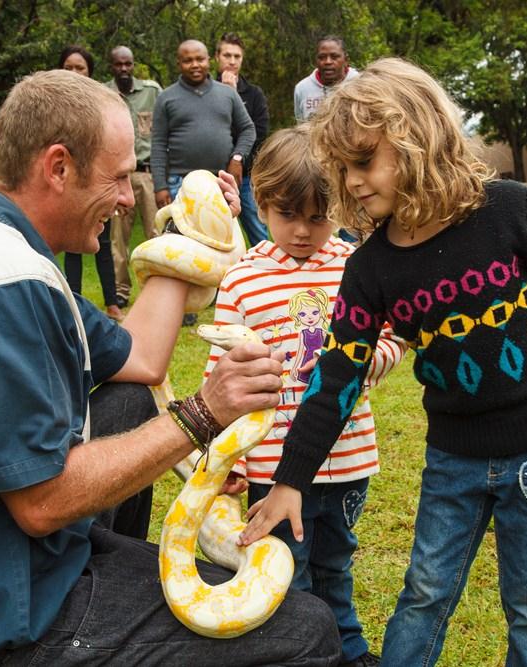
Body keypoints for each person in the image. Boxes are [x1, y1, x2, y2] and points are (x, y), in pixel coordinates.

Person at [0, 69, 341, 667]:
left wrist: (193, 230)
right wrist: (205, 412)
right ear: (58, 168)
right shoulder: (2, 289)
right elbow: (41, 505)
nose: (131, 198)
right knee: (308, 631)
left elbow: (140, 358)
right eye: (115, 178)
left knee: (131, 402)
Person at [239, 58, 527, 667]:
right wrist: (290, 478)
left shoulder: (512, 210)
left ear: (416, 140)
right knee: (424, 595)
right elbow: (337, 378)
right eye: (343, 169)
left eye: (365, 161)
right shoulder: (369, 269)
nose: (354, 181)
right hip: (454, 458)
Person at [205, 126, 405, 667]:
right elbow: (219, 372)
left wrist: (361, 364)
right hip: (271, 461)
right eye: (287, 214)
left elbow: (392, 340)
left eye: (318, 216)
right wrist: (223, 454)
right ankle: (294, 652)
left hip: (346, 457)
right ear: (262, 203)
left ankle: (349, 647)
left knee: (336, 561)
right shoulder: (241, 279)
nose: (302, 230)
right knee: (283, 565)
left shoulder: (355, 267)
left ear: (339, 206)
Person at [57, 45, 124, 321]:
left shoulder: (102, 104)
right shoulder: (51, 104)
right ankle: (72, 304)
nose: (74, 73)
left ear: (90, 72)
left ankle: (112, 303)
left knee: (103, 244)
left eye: (80, 68)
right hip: (66, 185)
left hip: (98, 184)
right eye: (68, 67)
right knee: (72, 245)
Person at [151, 39, 255, 209]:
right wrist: (160, 186)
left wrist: (237, 158)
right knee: (181, 234)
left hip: (220, 180)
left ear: (209, 60)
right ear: (179, 64)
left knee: (220, 232)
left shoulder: (227, 93)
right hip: (179, 181)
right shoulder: (166, 98)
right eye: (187, 60)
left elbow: (248, 129)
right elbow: (158, 144)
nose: (195, 65)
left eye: (200, 59)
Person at [106, 45, 161, 310]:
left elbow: (164, 131)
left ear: (134, 64)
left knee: (155, 233)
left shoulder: (152, 91)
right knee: (119, 237)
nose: (124, 69)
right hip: (118, 175)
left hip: (148, 174)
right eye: (119, 64)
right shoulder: (102, 94)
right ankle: (120, 291)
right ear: (112, 66)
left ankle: (157, 289)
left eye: (128, 64)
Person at [214, 32, 268, 247]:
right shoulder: (203, 91)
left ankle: (269, 277)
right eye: (227, 55)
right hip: (211, 175)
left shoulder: (254, 94)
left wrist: (233, 95)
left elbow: (259, 134)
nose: (232, 61)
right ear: (217, 56)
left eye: (237, 56)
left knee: (258, 233)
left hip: (244, 178)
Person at [293, 36, 359, 122]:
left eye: (334, 57)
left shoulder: (360, 83)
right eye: (322, 57)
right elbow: (301, 127)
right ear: (316, 61)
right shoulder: (302, 88)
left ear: (346, 60)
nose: (328, 62)